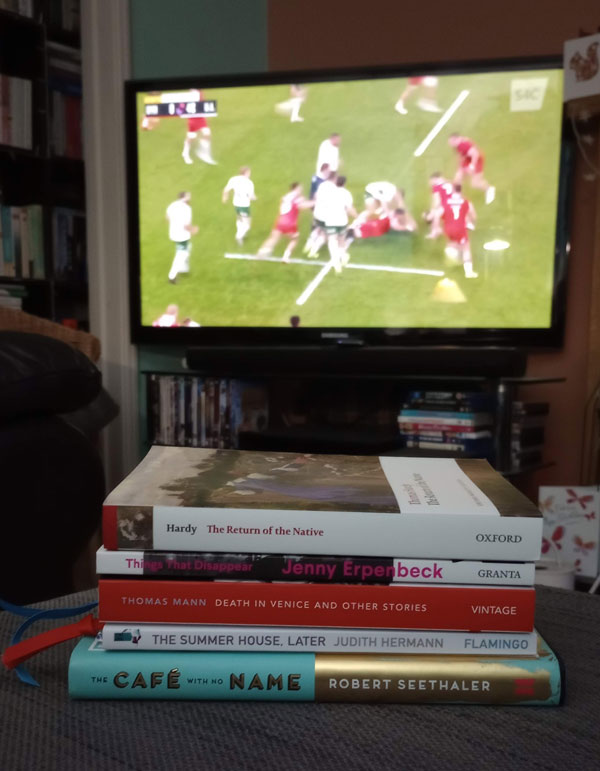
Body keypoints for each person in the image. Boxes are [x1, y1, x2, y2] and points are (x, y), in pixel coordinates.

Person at [258, 182, 313, 262]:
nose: (301, 189)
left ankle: (262, 252)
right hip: (290, 223)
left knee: (274, 237)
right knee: (294, 239)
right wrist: (314, 202)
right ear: (296, 188)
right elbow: (303, 205)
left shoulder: (286, 197)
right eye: (300, 188)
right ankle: (286, 257)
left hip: (280, 221)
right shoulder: (297, 197)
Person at [441, 184, 478, 278]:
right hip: (460, 228)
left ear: (452, 191)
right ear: (461, 191)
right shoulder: (466, 202)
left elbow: (439, 214)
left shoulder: (446, 202)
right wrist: (472, 223)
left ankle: (451, 264)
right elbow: (474, 216)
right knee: (466, 248)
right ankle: (469, 272)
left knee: (452, 242)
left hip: (448, 228)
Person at [448, 133, 495, 204]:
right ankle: (457, 197)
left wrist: (472, 166)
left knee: (475, 183)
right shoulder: (458, 144)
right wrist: (460, 166)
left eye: (451, 142)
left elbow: (475, 154)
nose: (450, 144)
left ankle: (489, 189)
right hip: (467, 159)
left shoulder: (463, 145)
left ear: (455, 139)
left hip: (476, 160)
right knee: (457, 178)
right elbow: (461, 155)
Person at [323, 175, 357, 274]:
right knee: (341, 239)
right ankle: (343, 256)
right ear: (344, 183)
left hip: (330, 220)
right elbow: (349, 209)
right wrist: (356, 216)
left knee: (332, 240)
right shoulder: (346, 194)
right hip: (342, 220)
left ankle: (335, 261)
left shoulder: (330, 193)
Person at [165, 191, 198, 283]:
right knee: (181, 255)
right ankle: (172, 277)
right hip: (182, 235)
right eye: (189, 197)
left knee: (188, 248)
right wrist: (194, 230)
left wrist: (175, 223)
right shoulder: (187, 209)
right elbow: (186, 226)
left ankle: (184, 269)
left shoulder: (173, 205)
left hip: (173, 233)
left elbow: (167, 217)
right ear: (186, 199)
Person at [304, 170, 337, 258]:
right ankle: (313, 251)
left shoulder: (322, 184)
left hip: (317, 212)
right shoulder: (333, 188)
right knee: (324, 234)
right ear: (334, 178)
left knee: (316, 229)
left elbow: (315, 196)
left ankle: (307, 245)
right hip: (325, 215)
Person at [222, 166, 256, 246]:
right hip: (244, 205)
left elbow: (226, 190)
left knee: (240, 219)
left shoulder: (234, 179)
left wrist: (224, 198)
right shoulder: (249, 183)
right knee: (247, 224)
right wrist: (255, 198)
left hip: (236, 203)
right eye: (249, 172)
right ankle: (239, 235)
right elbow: (251, 196)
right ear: (246, 173)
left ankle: (241, 233)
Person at [182, 89, 217, 165]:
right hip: (193, 117)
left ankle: (204, 153)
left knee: (207, 133)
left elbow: (202, 102)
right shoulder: (192, 93)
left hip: (200, 116)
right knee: (192, 136)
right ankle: (185, 153)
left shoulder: (200, 91)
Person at [424, 172, 455, 238]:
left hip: (447, 205)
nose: (430, 182)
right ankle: (437, 229)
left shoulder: (436, 187)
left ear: (435, 179)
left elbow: (437, 200)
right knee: (433, 214)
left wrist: (433, 210)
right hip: (454, 203)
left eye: (431, 180)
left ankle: (434, 233)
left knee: (435, 215)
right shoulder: (448, 182)